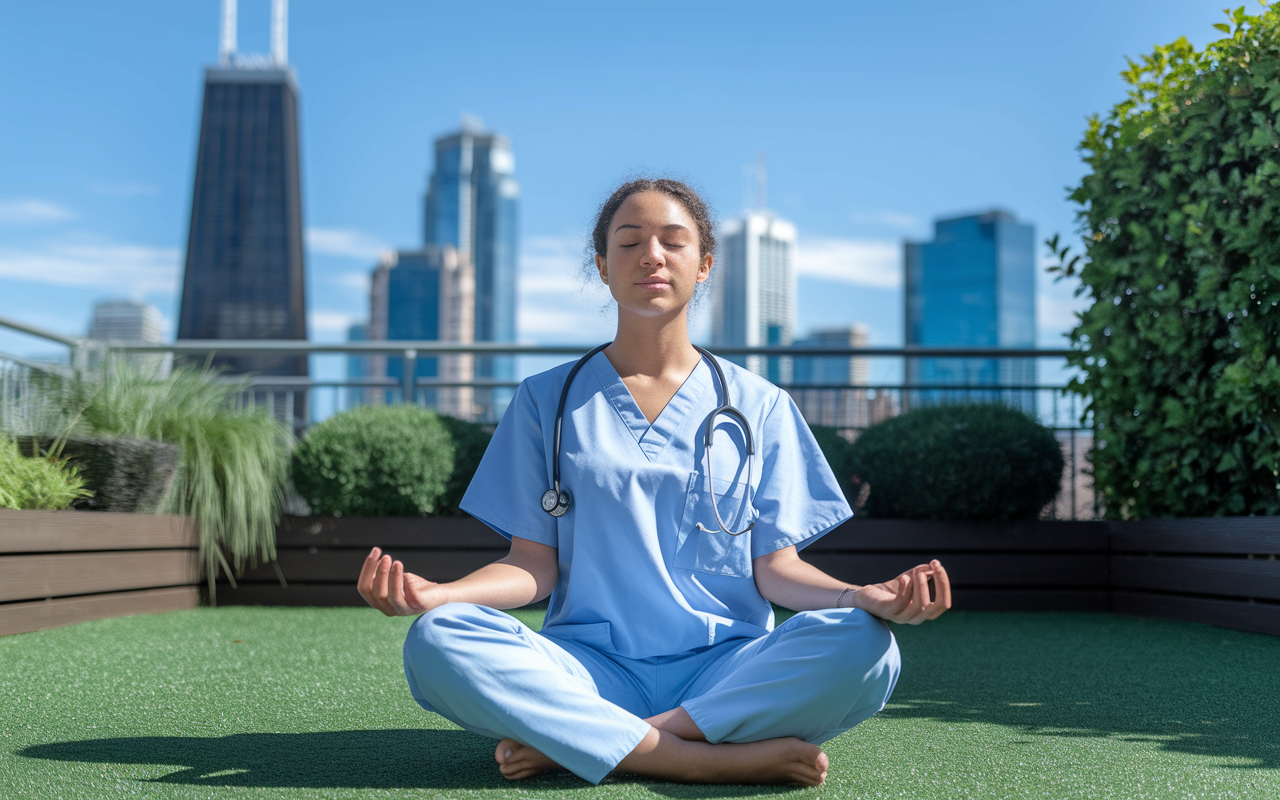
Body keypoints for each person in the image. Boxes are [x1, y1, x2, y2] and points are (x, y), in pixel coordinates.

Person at [357, 178, 951, 787]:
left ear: (705, 266)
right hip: (588, 668)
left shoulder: (761, 405)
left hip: (727, 667)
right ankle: (699, 757)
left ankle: (586, 741)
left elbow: (776, 570)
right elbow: (533, 567)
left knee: (866, 647)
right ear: (603, 267)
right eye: (630, 242)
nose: (652, 256)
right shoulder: (545, 401)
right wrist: (439, 596)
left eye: (673, 241)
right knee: (438, 639)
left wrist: (861, 598)